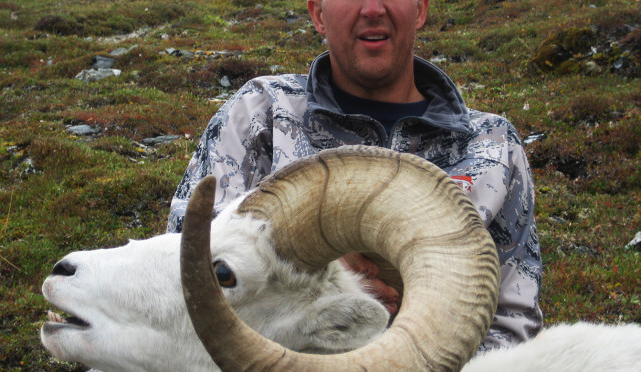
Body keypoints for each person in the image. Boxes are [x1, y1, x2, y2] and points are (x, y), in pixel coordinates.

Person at [167, 0, 542, 352]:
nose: (373, 9)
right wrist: (310, 256)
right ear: (318, 13)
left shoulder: (492, 146)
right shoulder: (261, 112)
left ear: (420, 9)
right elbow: (184, 259)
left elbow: (512, 321)